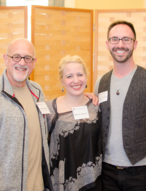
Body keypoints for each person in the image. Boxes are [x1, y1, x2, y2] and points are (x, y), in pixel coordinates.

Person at [94, 20, 146, 191]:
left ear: (135, 44)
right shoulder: (100, 82)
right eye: (115, 39)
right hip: (106, 171)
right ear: (107, 44)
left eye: (126, 39)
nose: (120, 44)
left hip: (141, 172)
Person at [0, 38, 53, 191]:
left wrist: (79, 98)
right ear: (5, 59)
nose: (22, 63)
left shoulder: (37, 91)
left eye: (28, 58)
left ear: (34, 62)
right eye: (16, 56)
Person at [46, 55, 102, 191]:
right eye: (69, 76)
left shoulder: (96, 107)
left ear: (86, 77)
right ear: (62, 81)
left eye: (79, 74)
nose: (76, 80)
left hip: (93, 183)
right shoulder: (49, 111)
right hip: (60, 184)